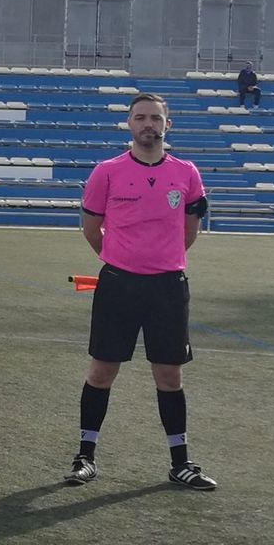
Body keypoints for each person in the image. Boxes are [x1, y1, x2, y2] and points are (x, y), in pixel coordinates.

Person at [69, 92, 217, 490]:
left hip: (168, 286)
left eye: (155, 117)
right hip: (118, 285)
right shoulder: (107, 171)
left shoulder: (186, 173)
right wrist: (120, 259)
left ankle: (180, 462)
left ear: (167, 124)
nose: (148, 123)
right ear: (129, 124)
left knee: (169, 375)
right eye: (140, 117)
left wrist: (160, 261)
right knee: (102, 371)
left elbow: (189, 231)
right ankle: (85, 456)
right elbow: (90, 227)